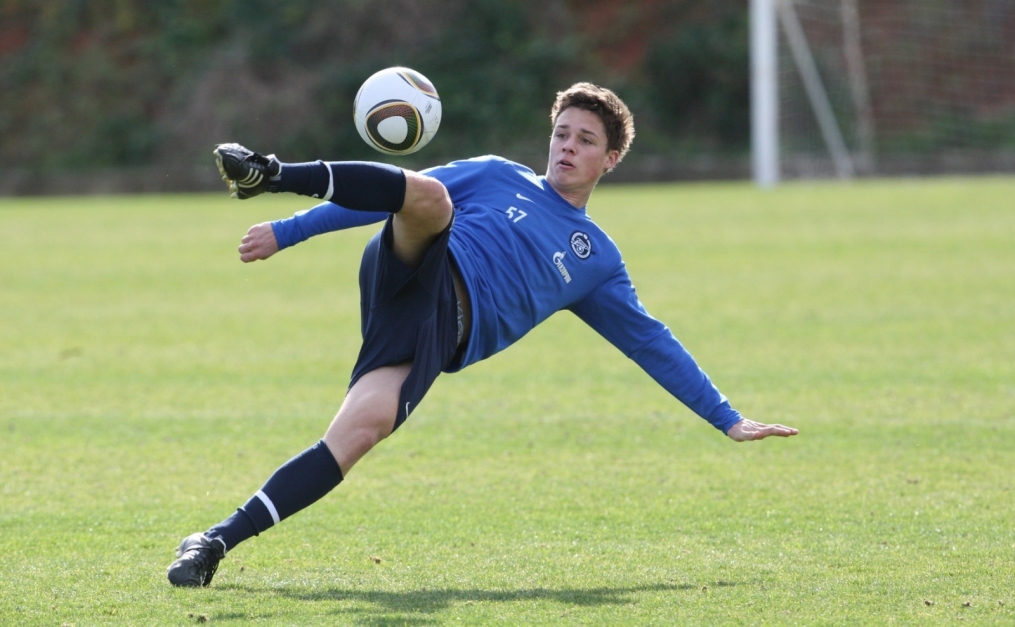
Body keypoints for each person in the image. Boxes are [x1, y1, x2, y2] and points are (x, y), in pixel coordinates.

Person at [166, 82, 798, 587]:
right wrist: (290, 229)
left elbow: (648, 340)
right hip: (420, 265)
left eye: (584, 140)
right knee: (430, 198)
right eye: (560, 133)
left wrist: (725, 416)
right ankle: (273, 171)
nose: (566, 146)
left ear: (610, 160)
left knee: (358, 433)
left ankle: (214, 540)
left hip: (438, 336)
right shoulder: (497, 174)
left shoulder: (596, 259)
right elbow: (399, 197)